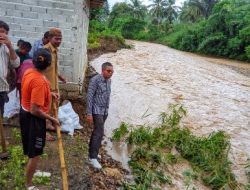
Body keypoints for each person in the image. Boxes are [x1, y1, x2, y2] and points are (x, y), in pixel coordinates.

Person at [20, 48, 59, 189]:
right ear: (48, 65)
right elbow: (35, 110)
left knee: (33, 149)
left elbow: (34, 90)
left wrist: (50, 93)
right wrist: (52, 119)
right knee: (35, 153)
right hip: (33, 119)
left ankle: (33, 172)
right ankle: (29, 185)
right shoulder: (39, 81)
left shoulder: (29, 71)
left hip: (25, 114)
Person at [87, 62, 114, 169]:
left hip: (104, 111)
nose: (111, 73)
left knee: (97, 132)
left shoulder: (109, 81)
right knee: (99, 132)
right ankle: (92, 158)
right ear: (102, 70)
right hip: (96, 109)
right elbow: (89, 97)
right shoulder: (95, 80)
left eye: (112, 71)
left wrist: (107, 110)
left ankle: (93, 152)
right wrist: (89, 113)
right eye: (108, 71)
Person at [43, 28, 66, 135]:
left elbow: (53, 68)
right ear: (50, 38)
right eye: (56, 39)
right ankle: (44, 133)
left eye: (60, 39)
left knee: (54, 106)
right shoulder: (45, 51)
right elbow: (39, 70)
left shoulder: (55, 51)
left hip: (54, 85)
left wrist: (60, 77)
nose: (59, 41)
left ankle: (48, 124)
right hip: (46, 86)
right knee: (44, 109)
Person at [0, 20, 20, 115]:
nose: (3, 35)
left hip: (2, 88)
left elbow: (16, 64)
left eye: (5, 33)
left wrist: (10, 46)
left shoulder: (6, 48)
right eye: (1, 31)